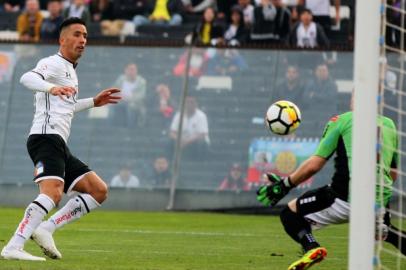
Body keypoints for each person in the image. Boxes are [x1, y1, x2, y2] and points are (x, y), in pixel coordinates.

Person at [1, 17, 121, 261]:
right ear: (62, 39)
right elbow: (26, 78)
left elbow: (66, 107)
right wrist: (50, 88)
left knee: (98, 190)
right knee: (52, 193)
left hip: (58, 142)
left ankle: (46, 228)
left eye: (85, 36)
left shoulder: (69, 71)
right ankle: (14, 245)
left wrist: (93, 102)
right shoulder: (52, 63)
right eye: (77, 34)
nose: (83, 40)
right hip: (45, 137)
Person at [257, 99, 398, 269]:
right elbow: (393, 174)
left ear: (356, 97)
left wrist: (284, 185)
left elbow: (315, 165)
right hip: (379, 202)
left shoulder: (341, 121)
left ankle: (311, 247)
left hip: (344, 198)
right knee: (386, 233)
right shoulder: (389, 124)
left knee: (290, 214)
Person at [111, 62, 147, 128]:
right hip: (120, 101)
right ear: (126, 70)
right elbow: (113, 90)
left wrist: (127, 98)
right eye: (130, 69)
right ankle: (113, 128)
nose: (132, 71)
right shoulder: (121, 79)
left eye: (134, 69)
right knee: (110, 105)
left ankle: (130, 128)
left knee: (131, 106)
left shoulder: (141, 82)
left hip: (135, 104)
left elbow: (140, 96)